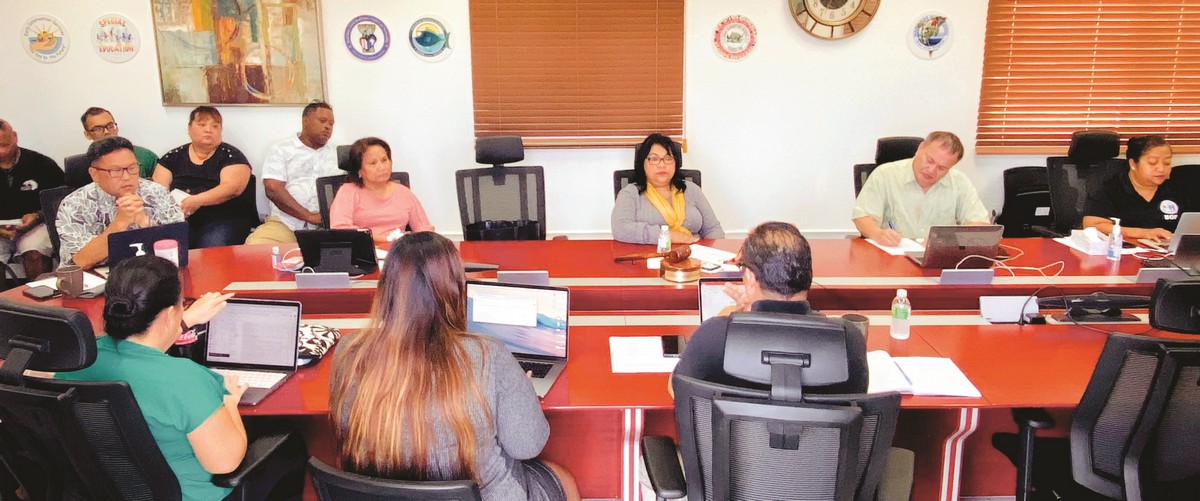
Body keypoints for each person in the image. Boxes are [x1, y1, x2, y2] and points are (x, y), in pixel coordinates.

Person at [329, 232, 579, 501]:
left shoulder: (349, 351)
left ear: (387, 288)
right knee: (560, 476)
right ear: (456, 288)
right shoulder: (488, 354)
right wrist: (521, 391)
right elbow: (528, 446)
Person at [55, 255, 245, 501]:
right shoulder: (184, 379)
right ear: (168, 314)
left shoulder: (76, 360)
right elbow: (224, 464)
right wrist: (230, 401)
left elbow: (134, 348)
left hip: (103, 490)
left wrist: (183, 322)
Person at [673, 221, 867, 395]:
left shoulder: (714, 336)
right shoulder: (848, 339)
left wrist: (733, 314)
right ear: (809, 274)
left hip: (739, 436)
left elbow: (676, 391)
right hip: (818, 437)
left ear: (749, 277)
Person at [56, 136, 184, 269]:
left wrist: (145, 222)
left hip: (150, 272)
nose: (127, 177)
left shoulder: (157, 192)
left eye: (132, 168)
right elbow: (81, 261)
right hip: (96, 279)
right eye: (116, 171)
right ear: (94, 174)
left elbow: (179, 244)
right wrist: (120, 223)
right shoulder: (74, 205)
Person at [852, 131, 990, 245]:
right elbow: (862, 217)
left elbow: (980, 225)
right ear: (920, 148)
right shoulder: (885, 174)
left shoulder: (960, 182)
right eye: (930, 160)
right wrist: (878, 234)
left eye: (942, 168)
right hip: (891, 257)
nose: (931, 170)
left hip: (938, 259)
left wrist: (949, 240)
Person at [153, 107, 255, 248]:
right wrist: (176, 209)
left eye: (215, 126)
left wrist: (196, 201)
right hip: (180, 217)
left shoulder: (231, 155)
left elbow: (232, 188)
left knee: (211, 247)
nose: (208, 130)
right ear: (189, 128)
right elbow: (156, 192)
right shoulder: (173, 157)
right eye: (202, 125)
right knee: (168, 245)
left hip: (224, 219)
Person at [245, 102, 342, 244]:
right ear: (305, 121)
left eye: (331, 124)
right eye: (322, 121)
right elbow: (273, 189)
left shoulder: (337, 154)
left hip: (327, 227)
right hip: (285, 224)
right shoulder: (282, 150)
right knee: (256, 248)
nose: (327, 127)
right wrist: (309, 216)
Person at [612, 133, 724, 244]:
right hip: (649, 256)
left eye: (668, 158)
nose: (662, 165)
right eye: (654, 159)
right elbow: (620, 229)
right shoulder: (630, 193)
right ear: (642, 163)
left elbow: (713, 229)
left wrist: (711, 255)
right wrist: (666, 235)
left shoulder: (691, 189)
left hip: (693, 255)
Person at [1083, 135, 1193, 242]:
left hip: (1168, 254)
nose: (1161, 169)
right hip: (1122, 252)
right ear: (1133, 164)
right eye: (1152, 163)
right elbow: (1092, 225)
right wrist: (1145, 233)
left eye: (1167, 163)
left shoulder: (1176, 189)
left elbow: (1192, 226)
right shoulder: (1111, 188)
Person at [329, 137, 433, 243]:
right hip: (364, 252)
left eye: (384, 160)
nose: (382, 167)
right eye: (373, 163)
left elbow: (424, 228)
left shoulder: (403, 192)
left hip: (398, 254)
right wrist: (384, 239)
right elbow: (340, 228)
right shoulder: (348, 192)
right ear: (359, 169)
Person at [0, 117, 63, 280]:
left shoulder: (42, 164)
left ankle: (40, 301)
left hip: (36, 223)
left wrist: (37, 216)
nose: (1, 151)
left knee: (34, 252)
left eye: (4, 145)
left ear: (15, 137)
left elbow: (63, 200)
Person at [80, 107, 165, 181]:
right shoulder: (83, 165)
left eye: (110, 126)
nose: (106, 132)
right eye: (98, 129)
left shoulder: (146, 157)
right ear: (87, 134)